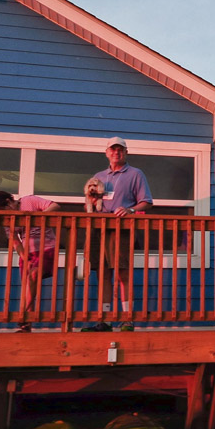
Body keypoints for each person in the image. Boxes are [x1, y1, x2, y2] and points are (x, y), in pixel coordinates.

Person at [83, 136, 153, 332]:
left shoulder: (135, 174)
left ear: (126, 152)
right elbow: (91, 206)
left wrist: (130, 210)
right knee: (103, 274)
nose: (116, 152)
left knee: (123, 273)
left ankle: (127, 319)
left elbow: (146, 201)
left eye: (120, 149)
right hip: (100, 229)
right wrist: (90, 201)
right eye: (112, 149)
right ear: (107, 153)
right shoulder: (99, 176)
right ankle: (104, 320)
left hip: (122, 230)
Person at [0, 190, 60, 333]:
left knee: (33, 275)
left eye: (4, 210)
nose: (5, 214)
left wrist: (37, 218)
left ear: (9, 201)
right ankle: (26, 325)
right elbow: (15, 242)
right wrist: (25, 258)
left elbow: (55, 206)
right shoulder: (7, 219)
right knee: (28, 285)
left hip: (47, 248)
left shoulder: (29, 201)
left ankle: (23, 316)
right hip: (27, 253)